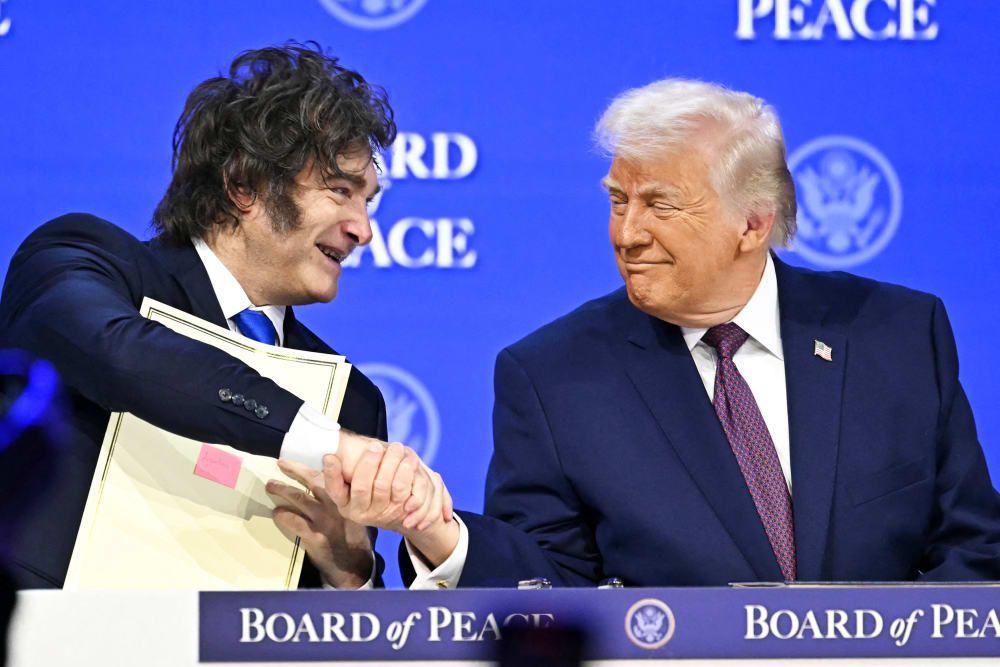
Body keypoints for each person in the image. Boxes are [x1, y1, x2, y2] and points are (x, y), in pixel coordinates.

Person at [320, 78, 1000, 587]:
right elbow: (546, 591)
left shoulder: (899, 334)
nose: (627, 233)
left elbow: (972, 550)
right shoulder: (554, 377)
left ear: (753, 222)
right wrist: (439, 533)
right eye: (618, 200)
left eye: (660, 205)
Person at [0, 43, 448, 591]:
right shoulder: (88, 262)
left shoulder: (351, 400)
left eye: (368, 202)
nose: (363, 230)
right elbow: (123, 355)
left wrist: (348, 571)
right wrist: (331, 445)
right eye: (340, 192)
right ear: (244, 186)